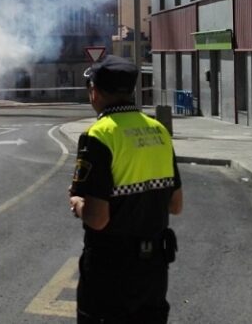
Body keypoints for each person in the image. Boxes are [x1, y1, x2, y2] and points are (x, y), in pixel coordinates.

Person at [69, 55, 183, 324]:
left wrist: (78, 204)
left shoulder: (99, 135)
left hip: (110, 272)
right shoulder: (159, 131)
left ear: (95, 92)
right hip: (153, 270)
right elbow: (176, 205)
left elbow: (98, 219)